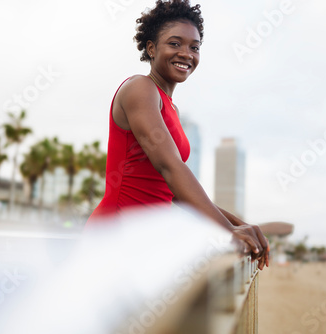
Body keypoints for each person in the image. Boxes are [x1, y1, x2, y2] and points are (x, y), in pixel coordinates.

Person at [85, 0, 270, 270]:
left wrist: (237, 224)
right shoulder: (140, 88)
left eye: (194, 47)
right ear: (151, 48)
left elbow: (177, 193)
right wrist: (228, 232)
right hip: (116, 234)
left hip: (146, 239)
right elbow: (170, 166)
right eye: (175, 43)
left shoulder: (169, 106)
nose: (186, 53)